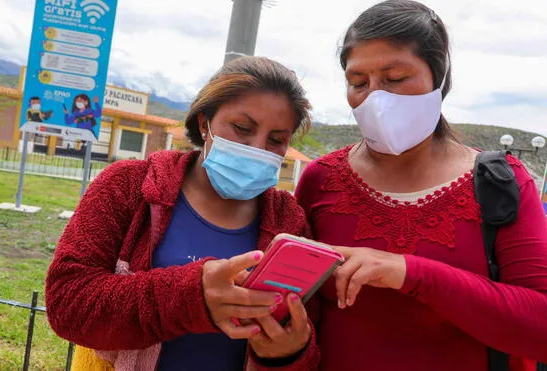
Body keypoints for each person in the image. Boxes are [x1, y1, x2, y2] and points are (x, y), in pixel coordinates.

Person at [290, 1, 547, 370]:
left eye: (395, 78)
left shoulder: (499, 183)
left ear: (439, 79)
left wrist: (411, 274)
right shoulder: (320, 180)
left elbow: (540, 328)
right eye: (357, 82)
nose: (375, 98)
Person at [45, 56, 317, 371]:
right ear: (204, 124)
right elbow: (68, 304)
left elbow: (307, 334)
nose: (257, 147)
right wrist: (191, 296)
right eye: (243, 128)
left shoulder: (289, 222)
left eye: (276, 140)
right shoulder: (127, 187)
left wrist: (290, 354)